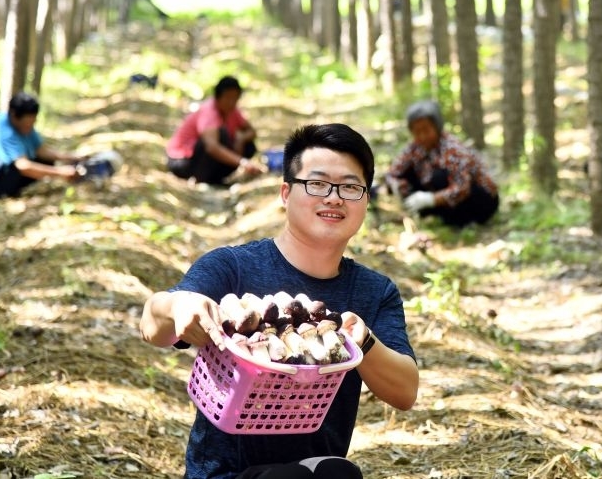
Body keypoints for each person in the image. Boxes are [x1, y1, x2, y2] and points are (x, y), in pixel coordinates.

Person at [140, 123, 419, 479]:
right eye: (317, 184)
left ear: (365, 199)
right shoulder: (233, 268)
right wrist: (178, 308)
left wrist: (362, 341)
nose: (333, 198)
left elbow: (405, 392)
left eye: (350, 187)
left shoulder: (373, 292)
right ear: (286, 193)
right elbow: (152, 325)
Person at [383, 100, 500, 227]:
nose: (422, 136)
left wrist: (430, 199)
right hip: (442, 197)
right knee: (409, 173)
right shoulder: (414, 148)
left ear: (437, 127)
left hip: (479, 199)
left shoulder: (453, 150)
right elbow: (393, 173)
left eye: (426, 130)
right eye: (417, 132)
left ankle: (460, 221)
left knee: (439, 177)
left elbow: (462, 188)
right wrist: (398, 186)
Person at [0, 92, 84, 198]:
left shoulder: (24, 128)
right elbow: (23, 166)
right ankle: (0, 194)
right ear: (14, 115)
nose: (30, 127)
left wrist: (71, 157)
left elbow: (41, 151)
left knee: (46, 162)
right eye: (27, 123)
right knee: (14, 166)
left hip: (2, 170)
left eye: (33, 122)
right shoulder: (4, 132)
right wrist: (60, 173)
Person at [166, 75, 264, 185]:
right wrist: (242, 162)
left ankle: (214, 178)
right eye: (228, 98)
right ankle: (203, 178)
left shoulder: (232, 111)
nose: (231, 102)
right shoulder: (209, 112)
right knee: (220, 136)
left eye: (235, 98)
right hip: (182, 161)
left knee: (249, 146)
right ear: (218, 96)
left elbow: (251, 131)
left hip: (201, 158)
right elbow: (211, 147)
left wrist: (241, 138)